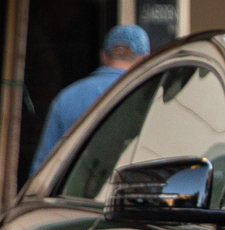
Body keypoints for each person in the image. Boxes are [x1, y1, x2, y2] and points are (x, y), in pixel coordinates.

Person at [31, 24, 149, 175]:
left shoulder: (66, 98)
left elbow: (42, 169)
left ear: (103, 56)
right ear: (145, 59)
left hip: (73, 195)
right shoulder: (148, 97)